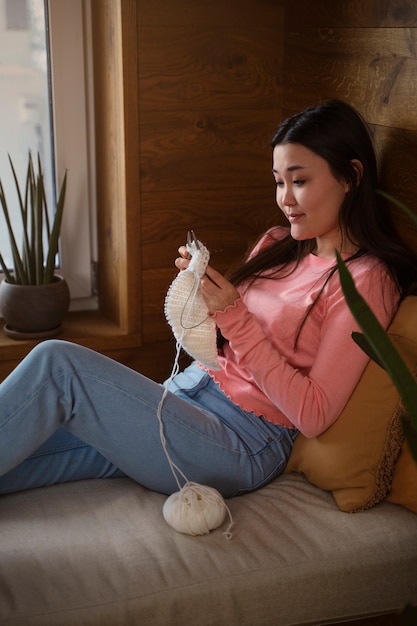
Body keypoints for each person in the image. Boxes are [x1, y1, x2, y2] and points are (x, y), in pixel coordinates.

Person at [1, 99, 416, 498]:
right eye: (278, 181)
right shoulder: (277, 244)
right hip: (182, 399)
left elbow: (314, 414)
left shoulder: (367, 280)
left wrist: (236, 317)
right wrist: (199, 293)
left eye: (300, 180)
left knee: (59, 364)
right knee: (22, 453)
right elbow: (223, 342)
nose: (285, 199)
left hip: (241, 441)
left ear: (351, 176)